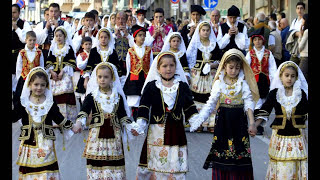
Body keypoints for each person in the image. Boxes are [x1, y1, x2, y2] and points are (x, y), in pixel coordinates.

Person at [189, 48, 260, 180]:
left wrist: (251, 123)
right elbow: (210, 104)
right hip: (223, 124)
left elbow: (248, 104)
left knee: (240, 154)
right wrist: (199, 120)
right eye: (231, 67)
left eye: (237, 68)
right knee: (222, 154)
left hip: (239, 124)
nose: (234, 71)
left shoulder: (243, 83)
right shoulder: (219, 83)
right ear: (224, 66)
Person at [132, 51, 198, 179]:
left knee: (173, 163)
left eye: (171, 65)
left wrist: (196, 119)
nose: (168, 69)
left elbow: (189, 106)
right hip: (155, 131)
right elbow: (144, 107)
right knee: (153, 162)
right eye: (165, 66)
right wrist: (140, 124)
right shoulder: (152, 86)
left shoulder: (182, 86)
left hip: (176, 131)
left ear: (176, 66)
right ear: (158, 68)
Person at [12, 67, 78, 180]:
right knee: (29, 169)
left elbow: (58, 118)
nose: (39, 88)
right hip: (28, 141)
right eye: (36, 84)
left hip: (46, 141)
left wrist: (73, 126)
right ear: (30, 84)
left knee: (47, 168)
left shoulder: (49, 102)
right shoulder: (24, 102)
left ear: (46, 85)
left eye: (42, 85)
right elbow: (14, 116)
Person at [73, 62, 136, 180]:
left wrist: (130, 126)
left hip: (114, 137)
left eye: (106, 77)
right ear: (96, 78)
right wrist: (78, 123)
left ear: (112, 78)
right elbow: (84, 112)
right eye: (100, 77)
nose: (102, 80)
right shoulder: (92, 95)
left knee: (114, 165)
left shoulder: (117, 96)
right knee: (97, 165)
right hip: (97, 137)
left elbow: (123, 116)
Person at [254, 61, 308, 179]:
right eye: (287, 75)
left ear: (296, 78)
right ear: (281, 76)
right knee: (282, 166)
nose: (289, 78)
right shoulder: (275, 93)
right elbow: (265, 110)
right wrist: (254, 125)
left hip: (297, 137)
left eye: (292, 76)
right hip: (280, 138)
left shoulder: (301, 94)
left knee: (295, 164)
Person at [186, 21, 220, 132]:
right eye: (203, 30)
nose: (205, 32)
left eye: (207, 30)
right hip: (197, 75)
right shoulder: (195, 43)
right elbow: (189, 58)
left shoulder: (214, 44)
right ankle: (198, 122)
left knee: (211, 97)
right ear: (199, 31)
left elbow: (220, 59)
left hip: (211, 74)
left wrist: (213, 64)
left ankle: (211, 123)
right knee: (197, 97)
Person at [246, 29, 277, 135]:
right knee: (255, 102)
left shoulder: (268, 54)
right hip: (254, 82)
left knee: (263, 103)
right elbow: (246, 67)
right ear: (252, 41)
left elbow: (272, 68)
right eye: (255, 40)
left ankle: (259, 126)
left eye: (259, 39)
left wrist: (274, 82)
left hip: (264, 82)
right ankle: (253, 123)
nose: (257, 42)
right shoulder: (250, 54)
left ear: (263, 41)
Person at [45, 26, 78, 124]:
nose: (58, 38)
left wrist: (62, 71)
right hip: (54, 75)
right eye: (57, 36)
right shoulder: (53, 48)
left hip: (65, 73)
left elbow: (71, 61)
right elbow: (49, 61)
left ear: (64, 36)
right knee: (54, 94)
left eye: (60, 36)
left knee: (66, 92)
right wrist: (52, 72)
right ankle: (56, 119)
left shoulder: (68, 48)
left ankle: (68, 119)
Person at [123, 25, 153, 120]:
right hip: (134, 78)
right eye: (140, 35)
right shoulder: (131, 51)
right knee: (134, 100)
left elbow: (151, 64)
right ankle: (135, 118)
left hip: (145, 77)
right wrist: (128, 80)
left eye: (144, 35)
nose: (142, 37)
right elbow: (128, 66)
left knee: (144, 98)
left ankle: (143, 118)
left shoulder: (148, 50)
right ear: (135, 37)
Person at [13, 31, 45, 109]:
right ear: (26, 40)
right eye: (30, 40)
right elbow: (19, 67)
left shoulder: (39, 52)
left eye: (34, 40)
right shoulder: (22, 53)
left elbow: (41, 66)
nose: (32, 42)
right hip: (24, 79)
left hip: (36, 80)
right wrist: (19, 79)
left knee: (34, 97)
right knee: (22, 97)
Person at [12, 4, 32, 93]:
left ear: (19, 13)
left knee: (18, 80)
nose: (12, 15)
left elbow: (25, 39)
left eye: (14, 12)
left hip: (19, 56)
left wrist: (16, 28)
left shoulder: (24, 24)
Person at [75, 36, 93, 107]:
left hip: (92, 76)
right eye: (86, 44)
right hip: (83, 77)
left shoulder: (94, 54)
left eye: (89, 44)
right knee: (83, 98)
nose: (88, 46)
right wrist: (87, 59)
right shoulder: (81, 55)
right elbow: (80, 66)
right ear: (82, 46)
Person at [298, 13, 308, 82]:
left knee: (301, 78)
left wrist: (300, 35)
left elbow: (300, 47)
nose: (302, 21)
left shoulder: (306, 31)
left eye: (303, 20)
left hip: (305, 57)